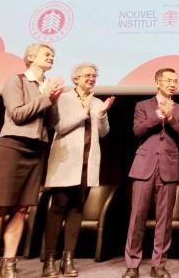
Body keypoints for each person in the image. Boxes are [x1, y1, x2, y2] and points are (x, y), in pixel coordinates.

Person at [0, 44, 64, 278]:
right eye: (46, 54)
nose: (51, 57)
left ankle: (9, 263)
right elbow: (17, 114)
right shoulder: (15, 81)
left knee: (22, 210)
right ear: (31, 57)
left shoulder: (47, 86)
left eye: (53, 55)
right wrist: (46, 97)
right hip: (12, 147)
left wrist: (53, 99)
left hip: (37, 150)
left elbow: (52, 123)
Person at [42, 63, 115, 277]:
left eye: (94, 75)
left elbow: (103, 132)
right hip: (66, 162)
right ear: (75, 79)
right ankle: (49, 259)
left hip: (87, 163)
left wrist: (101, 115)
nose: (91, 78)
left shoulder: (97, 102)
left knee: (76, 209)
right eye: (87, 75)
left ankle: (68, 259)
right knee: (58, 208)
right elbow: (59, 127)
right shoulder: (63, 98)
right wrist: (83, 113)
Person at [122, 68, 179, 278]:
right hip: (144, 167)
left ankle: (158, 264)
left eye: (175, 81)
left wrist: (170, 118)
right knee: (137, 217)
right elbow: (138, 130)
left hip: (168, 168)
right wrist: (158, 115)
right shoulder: (142, 106)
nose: (172, 84)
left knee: (165, 219)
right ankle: (132, 264)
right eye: (168, 80)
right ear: (157, 82)